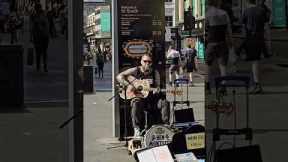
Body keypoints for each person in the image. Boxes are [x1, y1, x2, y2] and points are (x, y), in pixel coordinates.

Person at [116, 54, 162, 137]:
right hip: (138, 96)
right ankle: (136, 129)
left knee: (164, 102)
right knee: (136, 103)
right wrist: (129, 85)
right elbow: (119, 76)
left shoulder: (155, 73)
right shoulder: (135, 70)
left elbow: (158, 86)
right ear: (141, 62)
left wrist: (156, 89)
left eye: (149, 62)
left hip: (151, 98)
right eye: (145, 61)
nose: (147, 63)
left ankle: (163, 127)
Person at [205, 0, 233, 94]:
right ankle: (223, 86)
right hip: (222, 42)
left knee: (208, 65)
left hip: (211, 43)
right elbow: (228, 30)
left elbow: (205, 28)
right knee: (222, 66)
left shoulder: (208, 14)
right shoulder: (224, 13)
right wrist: (231, 41)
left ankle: (208, 86)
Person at [242, 0, 267, 94]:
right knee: (256, 61)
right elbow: (265, 24)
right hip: (260, 38)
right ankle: (257, 83)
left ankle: (257, 84)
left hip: (251, 39)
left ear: (247, 2)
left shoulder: (246, 11)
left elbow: (243, 25)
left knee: (254, 62)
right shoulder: (261, 10)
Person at [31, 3, 50, 72]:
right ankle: (39, 66)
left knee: (43, 52)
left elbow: (46, 25)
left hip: (43, 36)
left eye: (36, 8)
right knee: (38, 52)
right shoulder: (35, 16)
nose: (36, 10)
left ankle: (43, 66)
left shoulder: (42, 15)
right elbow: (32, 27)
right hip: (40, 36)